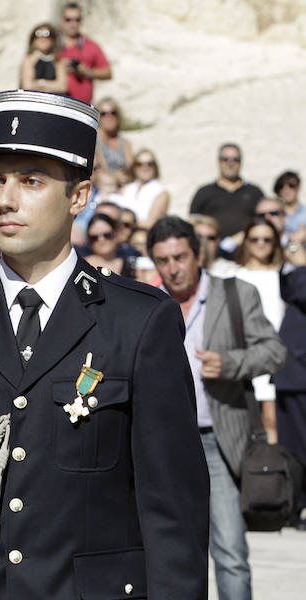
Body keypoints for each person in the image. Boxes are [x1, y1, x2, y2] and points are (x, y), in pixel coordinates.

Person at [0, 90, 209, 598]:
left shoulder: (138, 322)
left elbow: (172, 509)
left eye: (31, 181)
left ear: (79, 196)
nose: (5, 199)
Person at [148, 215, 285, 600]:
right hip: (161, 443)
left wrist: (230, 364)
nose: (173, 269)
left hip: (216, 441)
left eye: (180, 257)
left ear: (198, 255)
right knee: (167, 550)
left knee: (229, 552)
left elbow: (274, 351)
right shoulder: (148, 301)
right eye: (163, 260)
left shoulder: (235, 294)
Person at [232, 218, 286, 443]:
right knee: (248, 425)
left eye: (267, 239)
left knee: (274, 422)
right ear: (246, 242)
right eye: (255, 239)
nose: (261, 244)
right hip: (246, 353)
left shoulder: (284, 274)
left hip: (279, 353)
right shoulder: (232, 275)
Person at [274, 247, 306, 529]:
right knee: (290, 447)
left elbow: (301, 292)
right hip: (291, 374)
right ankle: (293, 505)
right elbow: (288, 291)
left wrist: (302, 266)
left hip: (300, 373)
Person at [190, 143, 264, 240]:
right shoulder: (204, 192)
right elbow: (192, 222)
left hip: (247, 246)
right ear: (219, 162)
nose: (230, 163)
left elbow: (264, 222)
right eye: (225, 159)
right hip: (212, 247)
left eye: (235, 159)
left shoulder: (254, 192)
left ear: (241, 162)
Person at [59, 2, 111, 103]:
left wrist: (88, 72)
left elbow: (108, 72)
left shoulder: (91, 45)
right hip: (55, 104)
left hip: (82, 106)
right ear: (61, 20)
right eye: (68, 20)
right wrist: (58, 66)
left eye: (77, 20)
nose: (73, 24)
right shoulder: (50, 42)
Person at [117, 149, 169, 228]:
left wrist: (125, 224)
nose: (145, 168)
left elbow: (151, 222)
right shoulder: (126, 189)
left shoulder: (161, 192)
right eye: (139, 164)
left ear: (155, 167)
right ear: (134, 167)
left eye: (150, 164)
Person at [19, 23, 67, 94]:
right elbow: (27, 86)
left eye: (47, 35)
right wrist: (51, 85)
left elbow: (62, 87)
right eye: (38, 34)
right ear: (33, 39)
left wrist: (40, 83)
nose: (42, 38)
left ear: (53, 39)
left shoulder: (57, 61)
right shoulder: (29, 59)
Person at [93, 98, 133, 181]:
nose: (109, 117)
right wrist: (114, 176)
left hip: (125, 182)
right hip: (104, 183)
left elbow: (132, 169)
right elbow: (99, 169)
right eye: (103, 114)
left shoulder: (125, 142)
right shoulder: (94, 140)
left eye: (113, 113)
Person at [84, 213, 133, 277]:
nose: (101, 240)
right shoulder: (82, 265)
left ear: (116, 233)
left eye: (107, 235)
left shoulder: (130, 265)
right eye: (94, 238)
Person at [274, 170, 306, 235]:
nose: (286, 190)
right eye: (281, 186)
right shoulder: (273, 213)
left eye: (291, 185)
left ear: (298, 187)